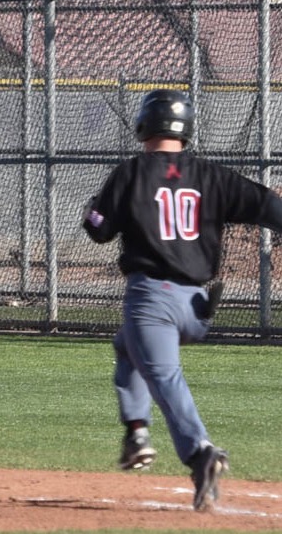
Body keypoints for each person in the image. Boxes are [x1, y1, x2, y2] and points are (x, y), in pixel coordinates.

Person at [82, 88, 282, 511]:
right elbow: (269, 206)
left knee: (164, 376)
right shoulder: (213, 175)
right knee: (126, 347)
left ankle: (200, 452)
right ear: (187, 129)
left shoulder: (131, 173)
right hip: (196, 310)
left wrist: (92, 210)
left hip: (151, 300)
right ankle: (137, 432)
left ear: (144, 125)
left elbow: (97, 227)